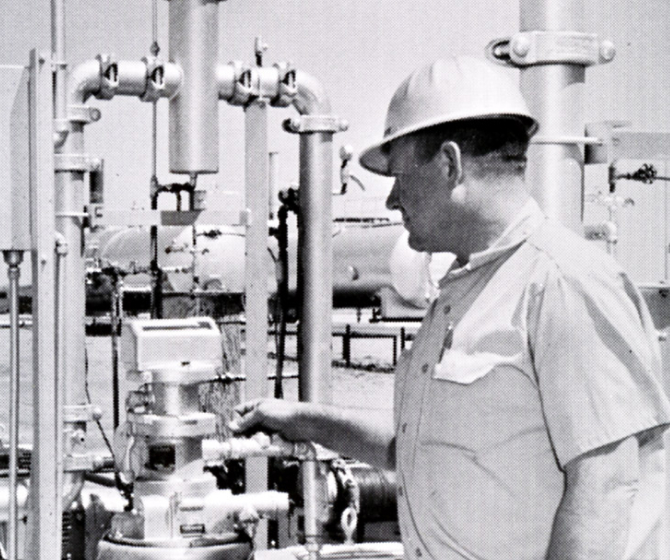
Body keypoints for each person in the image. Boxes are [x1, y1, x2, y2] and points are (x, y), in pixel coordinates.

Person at [232, 56, 670, 560]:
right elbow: (419, 451)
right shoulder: (464, 294)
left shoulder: (563, 283)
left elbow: (606, 489)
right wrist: (304, 420)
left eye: (399, 177)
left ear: (450, 165)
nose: (392, 201)